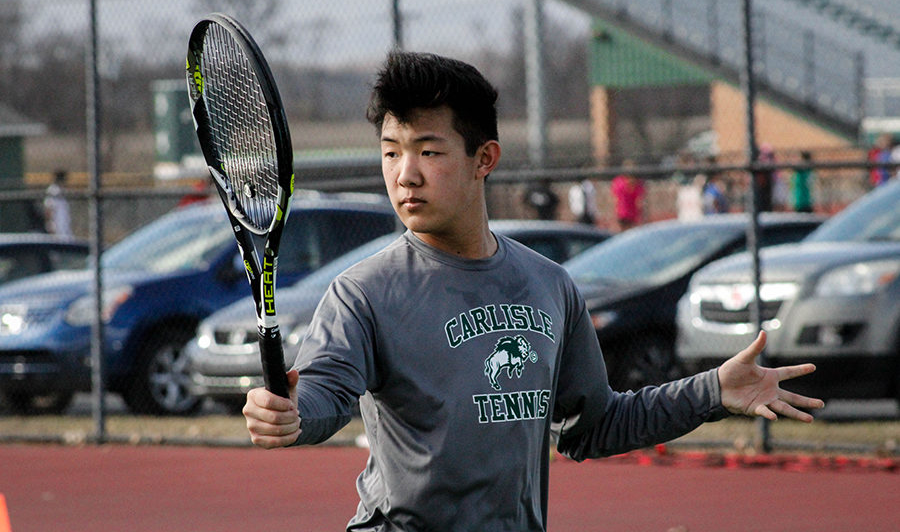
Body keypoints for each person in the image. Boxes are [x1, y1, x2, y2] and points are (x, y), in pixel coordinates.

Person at [243, 51, 823, 531]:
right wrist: (292, 414)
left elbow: (594, 427)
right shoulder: (362, 293)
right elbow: (323, 391)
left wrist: (714, 390)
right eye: (391, 152)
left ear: (484, 159)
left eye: (429, 150)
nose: (405, 174)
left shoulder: (549, 286)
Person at [610, 161, 644, 230]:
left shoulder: (637, 184)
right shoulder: (619, 182)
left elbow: (639, 201)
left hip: (632, 215)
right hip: (622, 214)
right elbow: (615, 199)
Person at [43, 170, 72, 237]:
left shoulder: (61, 191)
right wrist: (50, 225)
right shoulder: (53, 190)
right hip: (56, 226)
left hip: (64, 225)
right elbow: (48, 208)